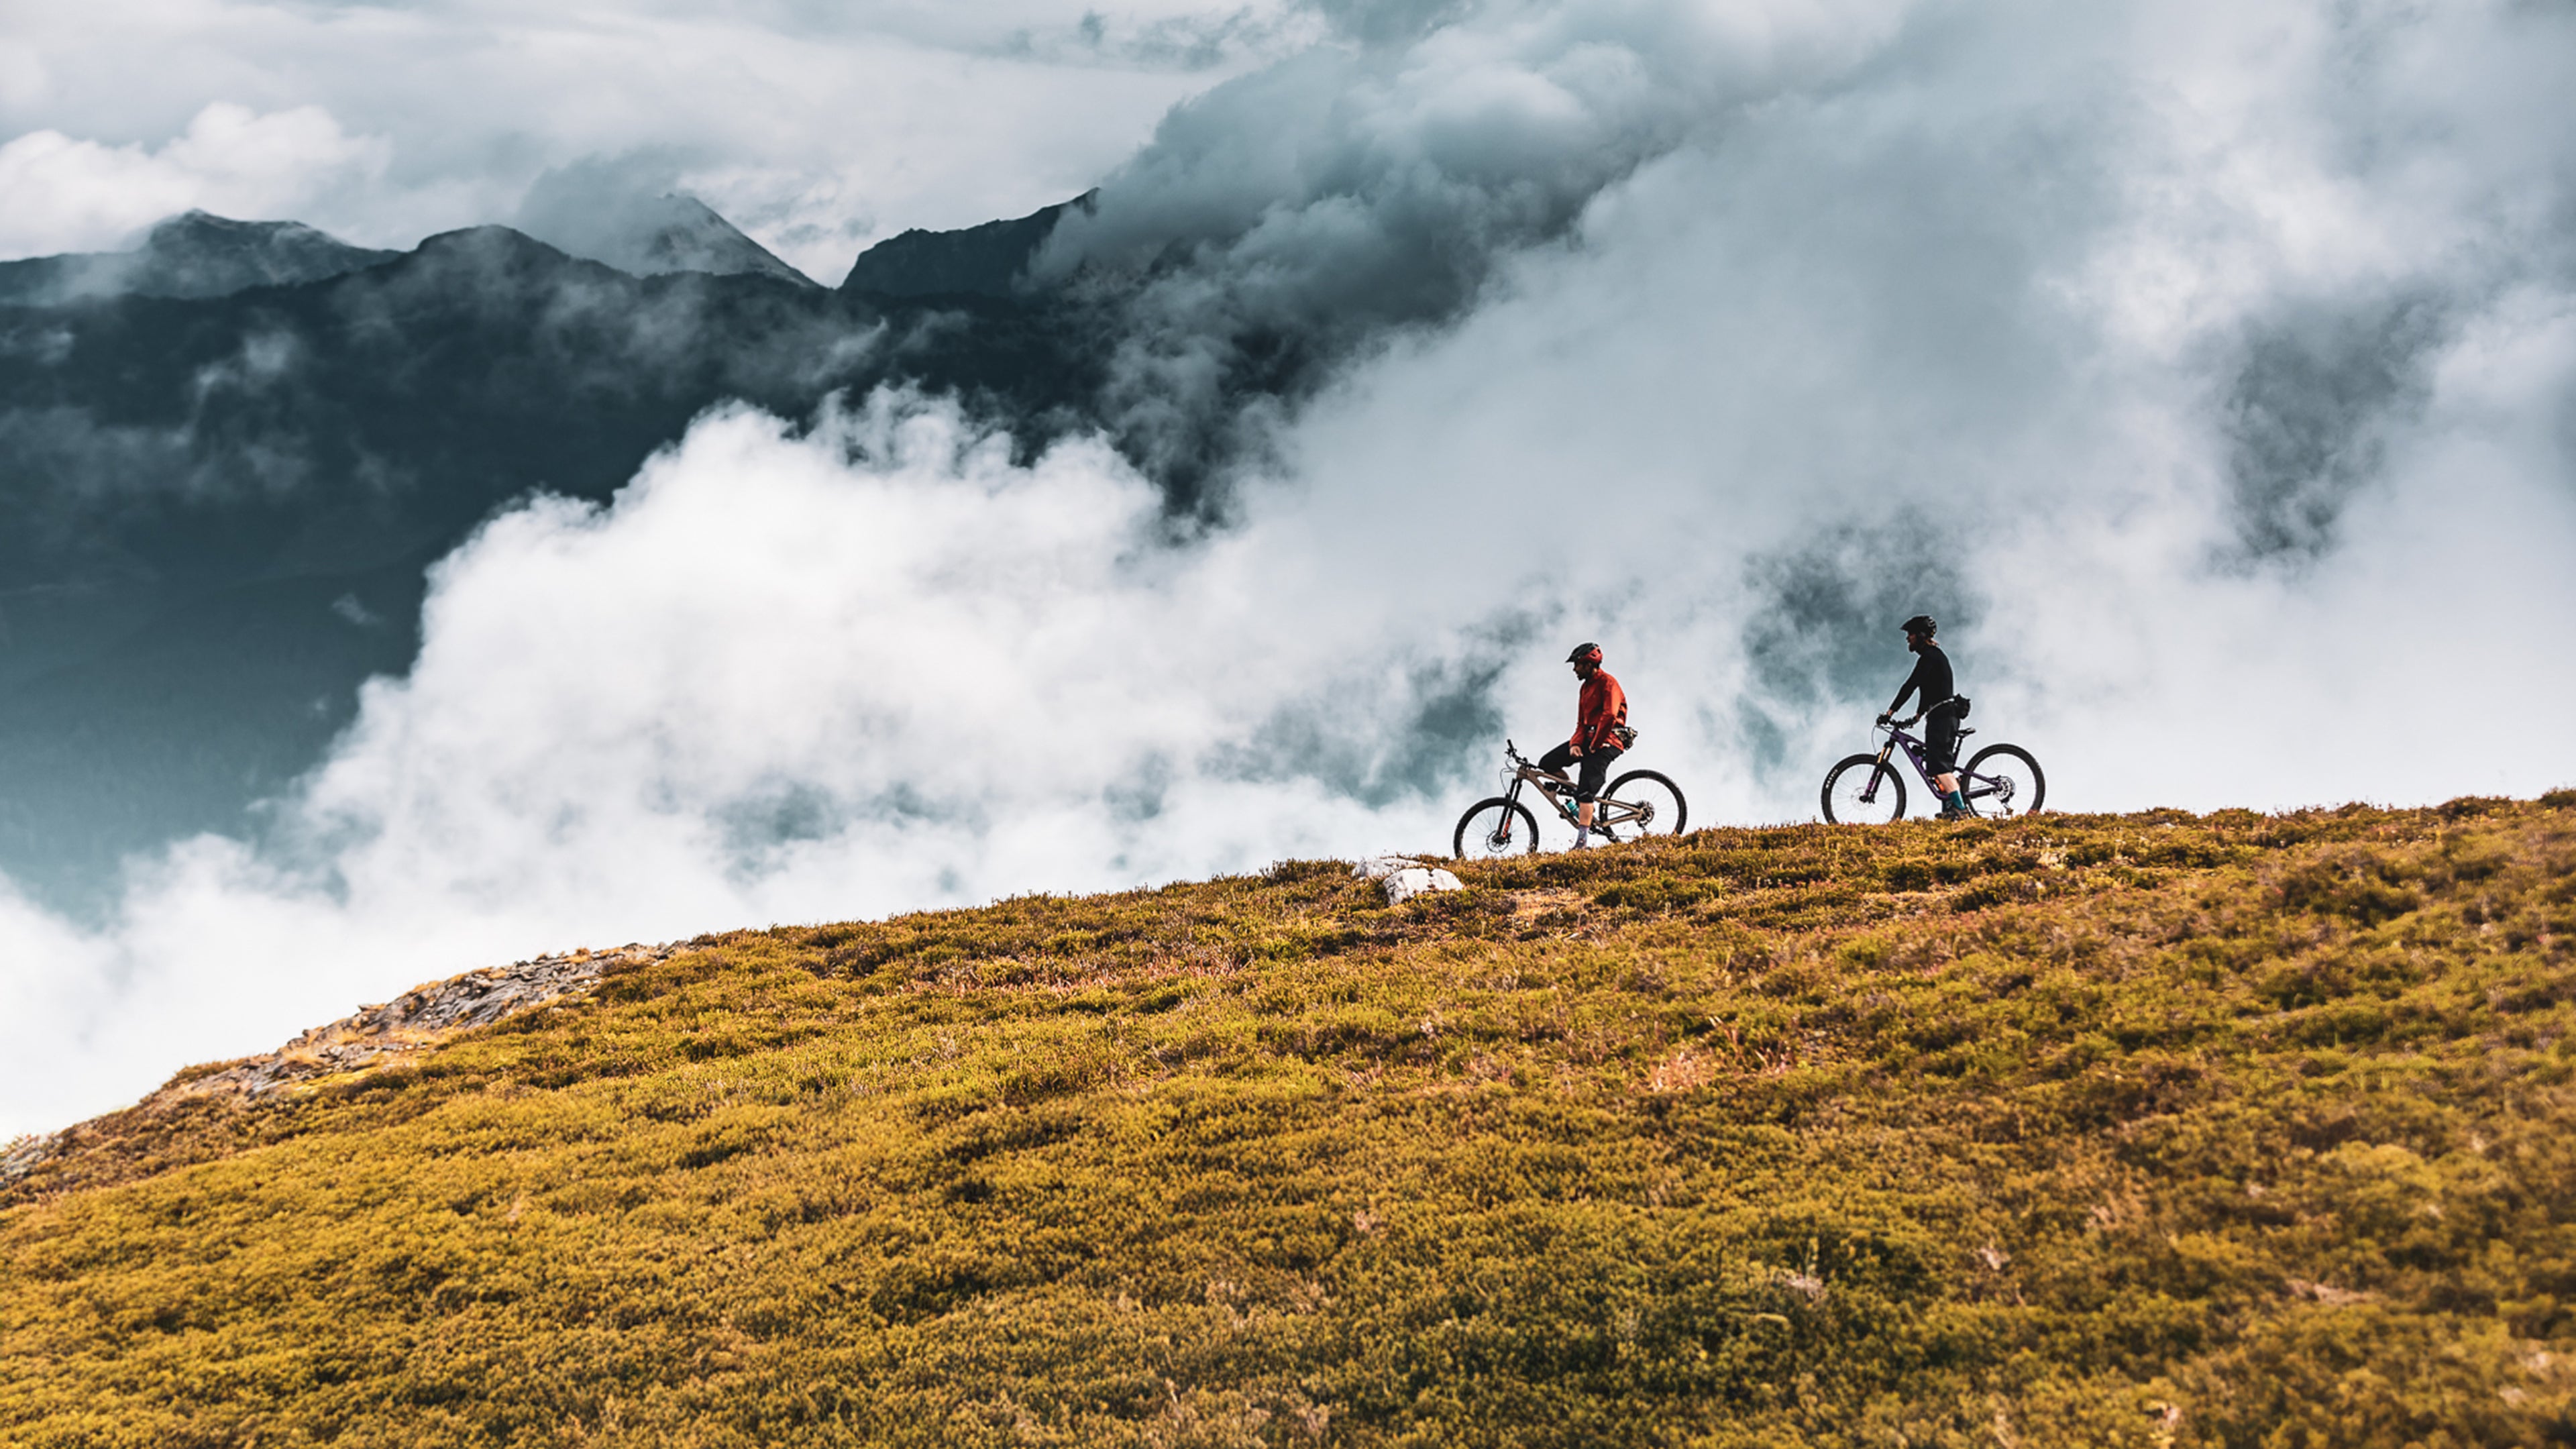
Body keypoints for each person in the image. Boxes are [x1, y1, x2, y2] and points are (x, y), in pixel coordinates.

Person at [1880, 614, 1970, 818]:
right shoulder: (1933, 657)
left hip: (1943, 717)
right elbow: (1928, 689)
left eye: (1910, 634)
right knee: (1935, 762)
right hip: (1940, 715)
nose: (1907, 638)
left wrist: (1890, 712)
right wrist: (1917, 716)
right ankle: (1950, 809)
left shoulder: (1929, 657)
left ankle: (1960, 809)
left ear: (1920, 635)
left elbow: (1911, 685)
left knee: (1939, 765)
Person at [1540, 642, 1627, 847]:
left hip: (1609, 740)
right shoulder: (1585, 688)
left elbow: (1609, 716)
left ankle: (1581, 842)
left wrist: (1595, 745)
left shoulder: (1609, 683)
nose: (1574, 669)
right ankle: (1575, 798)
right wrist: (1576, 744)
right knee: (1547, 763)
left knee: (1587, 789)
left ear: (1589, 665)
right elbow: (1582, 723)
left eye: (1577, 665)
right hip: (1590, 739)